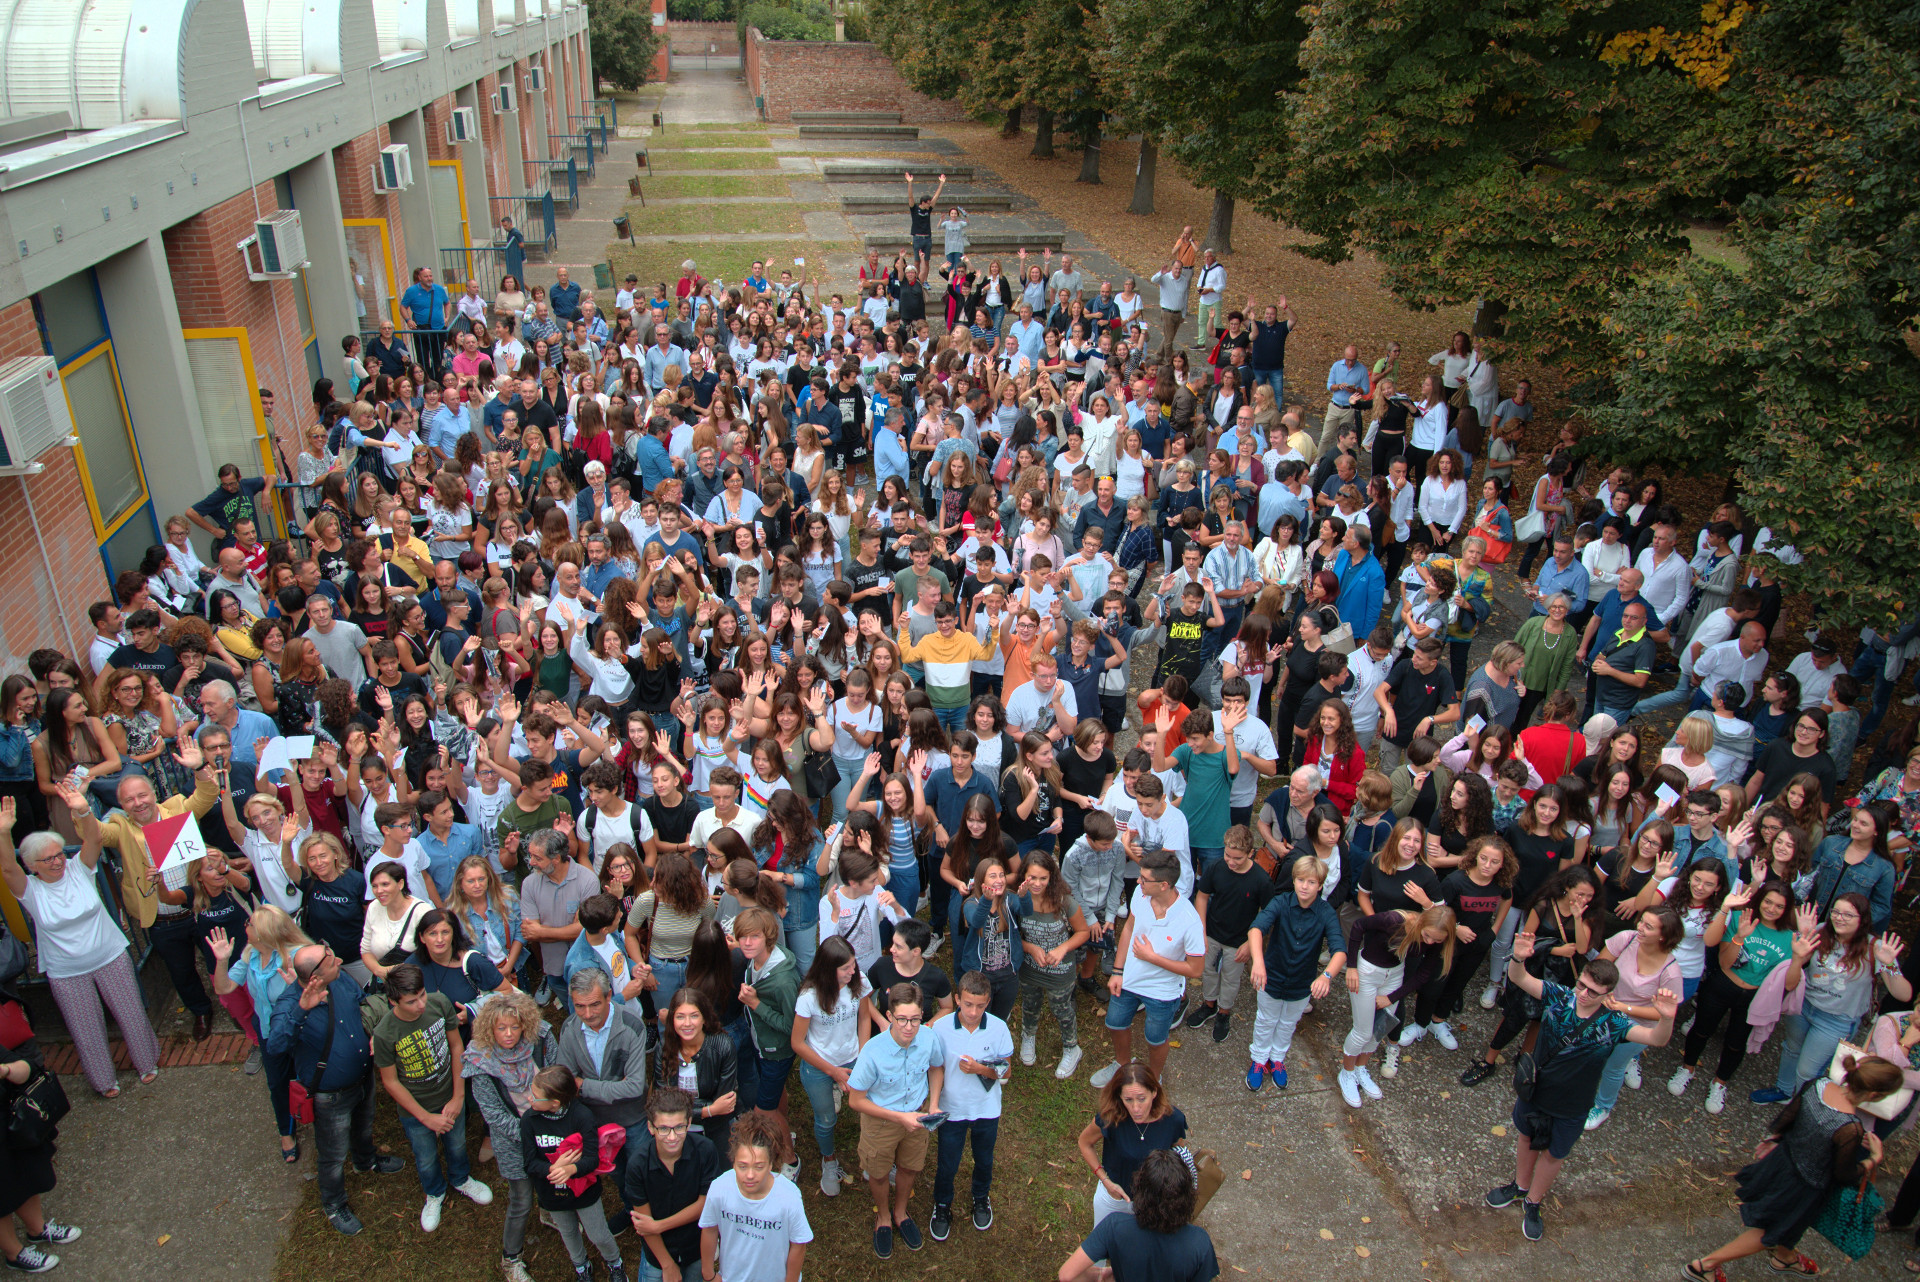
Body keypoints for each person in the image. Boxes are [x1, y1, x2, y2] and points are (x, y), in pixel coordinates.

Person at [1484, 935, 1678, 1242]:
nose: (1585, 994)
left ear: (1609, 994)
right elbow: (1520, 978)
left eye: (1594, 992)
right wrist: (1519, 958)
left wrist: (1666, 1018)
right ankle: (1520, 1186)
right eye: (1582, 986)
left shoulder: (1615, 1023)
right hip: (1536, 1090)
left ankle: (1534, 1201)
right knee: (1525, 1136)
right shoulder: (1559, 996)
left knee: (1553, 1154)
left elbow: (1657, 1039)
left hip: (1573, 1104)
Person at [1682, 1054, 1902, 1281]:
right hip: (1804, 1187)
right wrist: (1874, 1159)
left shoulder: (1819, 1083)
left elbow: (1788, 1117)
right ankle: (1705, 1265)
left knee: (1791, 1225)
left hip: (1784, 1162)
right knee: (1770, 1231)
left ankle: (1785, 1257)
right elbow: (1844, 1175)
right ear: (1874, 1095)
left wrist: (1774, 1139)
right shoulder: (1850, 1128)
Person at [1, 790, 162, 1098]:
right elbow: (8, 869)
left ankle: (147, 1062)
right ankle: (104, 1081)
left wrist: (84, 810)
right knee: (86, 1031)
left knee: (131, 1014)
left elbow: (93, 840)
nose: (56, 862)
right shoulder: (30, 889)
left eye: (59, 854)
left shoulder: (78, 869)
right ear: (32, 866)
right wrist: (3, 833)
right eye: (47, 859)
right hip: (66, 971)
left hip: (110, 955)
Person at [265, 938, 407, 1238]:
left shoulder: (340, 979)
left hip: (363, 1077)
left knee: (363, 1126)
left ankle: (365, 1161)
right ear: (314, 976)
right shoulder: (290, 1005)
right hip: (330, 1096)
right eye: (330, 959)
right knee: (332, 1155)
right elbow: (276, 1046)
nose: (339, 961)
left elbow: (359, 1005)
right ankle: (334, 1204)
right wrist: (302, 1010)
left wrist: (371, 1032)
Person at [372, 963, 496, 1232]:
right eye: (411, 1001)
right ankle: (434, 1192)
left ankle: (461, 1179)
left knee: (457, 1143)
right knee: (425, 1156)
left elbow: (455, 1047)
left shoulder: (439, 1003)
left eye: (422, 995)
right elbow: (390, 1082)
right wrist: (426, 1118)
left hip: (449, 1096)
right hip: (416, 1110)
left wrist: (458, 1096)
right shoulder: (385, 1034)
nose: (420, 1004)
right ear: (393, 1001)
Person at [463, 989, 559, 1281]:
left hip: (549, 1127)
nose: (508, 1034)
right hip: (514, 1140)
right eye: (501, 1028)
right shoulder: (480, 1062)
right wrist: (531, 1135)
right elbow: (493, 1114)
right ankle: (511, 1259)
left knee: (550, 1179)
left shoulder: (541, 1039)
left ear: (525, 1025)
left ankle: (549, 1213)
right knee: (520, 1199)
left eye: (514, 1027)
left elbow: (556, 1078)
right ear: (489, 1028)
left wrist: (552, 1124)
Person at [847, 980, 946, 1258]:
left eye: (915, 1019)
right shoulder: (872, 1053)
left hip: (918, 1115)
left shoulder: (928, 1038)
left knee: (909, 1167)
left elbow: (936, 1068)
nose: (909, 1027)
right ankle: (883, 1219)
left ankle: (900, 1213)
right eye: (902, 1019)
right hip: (881, 1122)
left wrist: (934, 1104)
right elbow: (856, 1100)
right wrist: (898, 1118)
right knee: (877, 1174)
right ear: (889, 1016)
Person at [1090, 853, 1205, 1089]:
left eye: (1144, 879)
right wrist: (1118, 971)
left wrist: (1153, 958)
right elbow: (1130, 927)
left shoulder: (1189, 921)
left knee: (1155, 1039)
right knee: (1115, 1023)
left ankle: (1153, 1077)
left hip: (1162, 992)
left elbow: (1195, 969)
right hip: (1130, 980)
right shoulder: (1141, 896)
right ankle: (1121, 1065)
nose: (1138, 882)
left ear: (1164, 885)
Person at [1244, 854, 1348, 1091]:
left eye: (1311, 882)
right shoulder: (1281, 902)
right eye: (1301, 880)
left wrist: (1327, 976)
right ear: (1294, 880)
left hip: (1302, 983)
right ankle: (1259, 1059)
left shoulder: (1326, 913)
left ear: (1320, 885)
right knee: (1265, 1020)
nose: (1305, 886)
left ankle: (1277, 1058)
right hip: (1271, 978)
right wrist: (1258, 962)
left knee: (1288, 1022)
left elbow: (1339, 951)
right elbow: (1256, 929)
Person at [520, 1063, 627, 1282]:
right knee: (568, 1232)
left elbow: (591, 1159)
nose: (529, 1098)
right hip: (551, 1193)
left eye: (535, 1096)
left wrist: (570, 1169)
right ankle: (581, 1266)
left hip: (584, 1192)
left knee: (597, 1233)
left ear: (555, 1103)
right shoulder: (528, 1121)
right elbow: (529, 1163)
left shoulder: (582, 1116)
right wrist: (552, 1169)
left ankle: (615, 1263)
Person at [929, 970, 1015, 1241]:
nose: (973, 1011)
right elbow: (936, 1067)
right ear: (957, 1000)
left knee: (984, 1159)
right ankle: (942, 1205)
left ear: (988, 1002)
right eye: (968, 1004)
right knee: (947, 1163)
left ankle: (980, 1197)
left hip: (986, 1111)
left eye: (980, 1005)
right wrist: (933, 1103)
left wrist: (980, 1069)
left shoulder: (999, 1028)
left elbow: (1006, 1071)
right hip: (951, 1110)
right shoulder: (940, 1029)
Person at [1056, 1148, 1218, 1282]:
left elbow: (1066, 1275)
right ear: (1188, 1198)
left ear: (1139, 1187)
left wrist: (1100, 1275)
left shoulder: (1114, 1226)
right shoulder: (1199, 1243)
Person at [697, 1112, 812, 1282]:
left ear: (772, 1164)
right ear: (733, 1161)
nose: (750, 1175)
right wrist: (708, 1274)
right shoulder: (719, 1188)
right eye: (742, 1166)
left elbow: (798, 1244)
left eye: (759, 1166)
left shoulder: (789, 1196)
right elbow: (709, 1229)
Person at [1183, 825, 1274, 1043]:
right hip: (1212, 934)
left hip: (1239, 941)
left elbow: (1268, 916)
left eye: (1238, 858)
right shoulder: (1215, 867)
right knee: (1209, 971)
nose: (1231, 862)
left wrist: (1250, 945)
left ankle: (1224, 1012)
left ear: (1250, 853)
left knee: (1231, 979)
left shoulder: (1262, 880)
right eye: (1227, 855)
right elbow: (1203, 896)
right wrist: (1201, 930)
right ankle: (1209, 1004)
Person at [624, 1086, 724, 1282]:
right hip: (657, 1253)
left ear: (688, 1123)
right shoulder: (637, 1165)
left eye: (678, 1127)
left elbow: (706, 1204)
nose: (672, 1137)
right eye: (663, 1129)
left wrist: (659, 1226)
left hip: (696, 1248)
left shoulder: (705, 1150)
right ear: (651, 1127)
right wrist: (667, 1265)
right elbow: (645, 1224)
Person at [1075, 1061, 1188, 1228]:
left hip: (1155, 1203)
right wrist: (1105, 1181)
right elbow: (1084, 1143)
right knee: (1101, 1249)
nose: (1136, 1108)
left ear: (1154, 1092)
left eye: (1142, 1099)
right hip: (1115, 1199)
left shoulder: (1174, 1120)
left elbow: (1179, 1153)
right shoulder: (1111, 1116)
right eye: (1128, 1100)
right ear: (1119, 1097)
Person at [0, 1043, 78, 1275]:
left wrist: (5, 1071)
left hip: (9, 1128)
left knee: (26, 1176)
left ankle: (37, 1230)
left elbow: (26, 1068)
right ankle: (14, 1254)